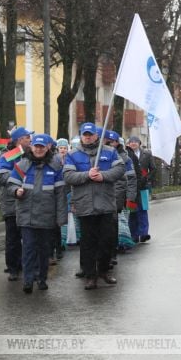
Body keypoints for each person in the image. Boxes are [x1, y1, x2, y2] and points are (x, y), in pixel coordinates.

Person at [64, 123, 124, 290]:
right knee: (88, 242)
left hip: (105, 204)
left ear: (97, 136)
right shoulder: (73, 155)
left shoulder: (110, 152)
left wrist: (103, 176)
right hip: (85, 205)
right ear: (81, 135)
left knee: (106, 241)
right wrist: (87, 175)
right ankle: (90, 275)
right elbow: (68, 176)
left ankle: (104, 271)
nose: (88, 137)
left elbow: (120, 169)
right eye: (85, 134)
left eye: (90, 134)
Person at [9, 135, 67, 293]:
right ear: (31, 147)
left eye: (42, 146)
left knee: (44, 250)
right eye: (36, 146)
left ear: (47, 147)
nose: (39, 149)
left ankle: (41, 278)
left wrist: (61, 217)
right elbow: (11, 184)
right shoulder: (22, 165)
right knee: (28, 249)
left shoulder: (55, 167)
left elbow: (61, 194)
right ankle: (28, 280)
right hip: (26, 216)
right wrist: (16, 191)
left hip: (47, 217)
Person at [0, 126, 32, 281]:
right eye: (27, 137)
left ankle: (27, 264)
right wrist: (20, 179)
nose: (30, 140)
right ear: (19, 140)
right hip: (12, 203)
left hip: (29, 202)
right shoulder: (9, 156)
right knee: (13, 238)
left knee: (29, 237)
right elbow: (1, 177)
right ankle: (13, 268)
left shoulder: (32, 154)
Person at [126, 136, 154, 242]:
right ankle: (133, 234)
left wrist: (145, 178)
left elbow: (152, 169)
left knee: (143, 210)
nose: (133, 143)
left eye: (135, 142)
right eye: (131, 142)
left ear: (139, 143)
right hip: (131, 188)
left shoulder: (147, 154)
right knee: (132, 211)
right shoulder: (126, 154)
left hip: (143, 187)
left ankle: (143, 233)